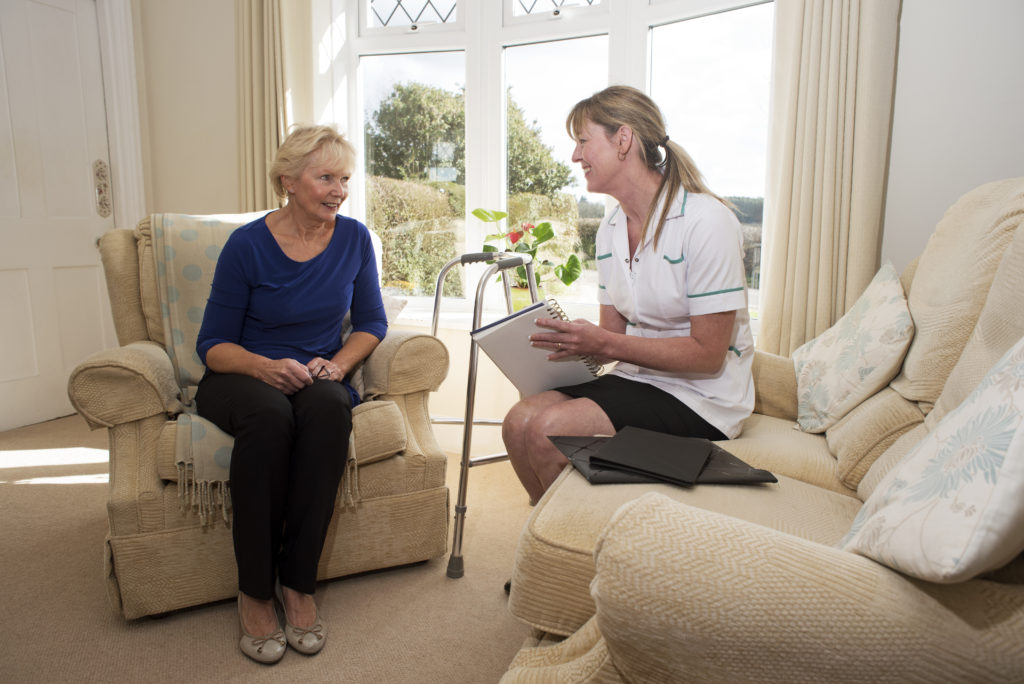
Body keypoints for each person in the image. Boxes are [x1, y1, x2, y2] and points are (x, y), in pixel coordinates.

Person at [502, 85, 755, 505]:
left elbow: (708, 354)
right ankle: (548, 548)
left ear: (623, 139)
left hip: (702, 396)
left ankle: (567, 553)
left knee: (549, 431)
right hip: (638, 379)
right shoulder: (611, 230)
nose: (575, 156)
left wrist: (605, 343)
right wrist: (568, 343)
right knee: (518, 421)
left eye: (583, 141)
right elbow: (609, 340)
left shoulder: (707, 221)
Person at [195, 124, 387, 663]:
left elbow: (371, 322)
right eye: (325, 177)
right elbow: (211, 345)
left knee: (328, 411)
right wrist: (263, 366)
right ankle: (255, 591)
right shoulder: (247, 246)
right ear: (288, 181)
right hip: (242, 376)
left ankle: (297, 585)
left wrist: (340, 363)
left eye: (344, 178)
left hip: (315, 374)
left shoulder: (353, 239)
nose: (338, 189)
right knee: (269, 418)